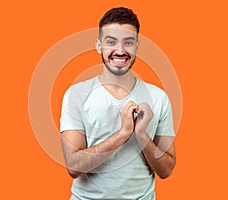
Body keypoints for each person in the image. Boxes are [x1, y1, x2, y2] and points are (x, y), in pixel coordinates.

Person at [60, 7, 176, 200]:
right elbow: (73, 166)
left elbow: (166, 170)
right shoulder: (76, 94)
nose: (120, 51)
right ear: (99, 46)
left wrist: (141, 135)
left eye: (128, 42)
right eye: (111, 42)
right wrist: (123, 133)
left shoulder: (159, 97)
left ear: (137, 46)